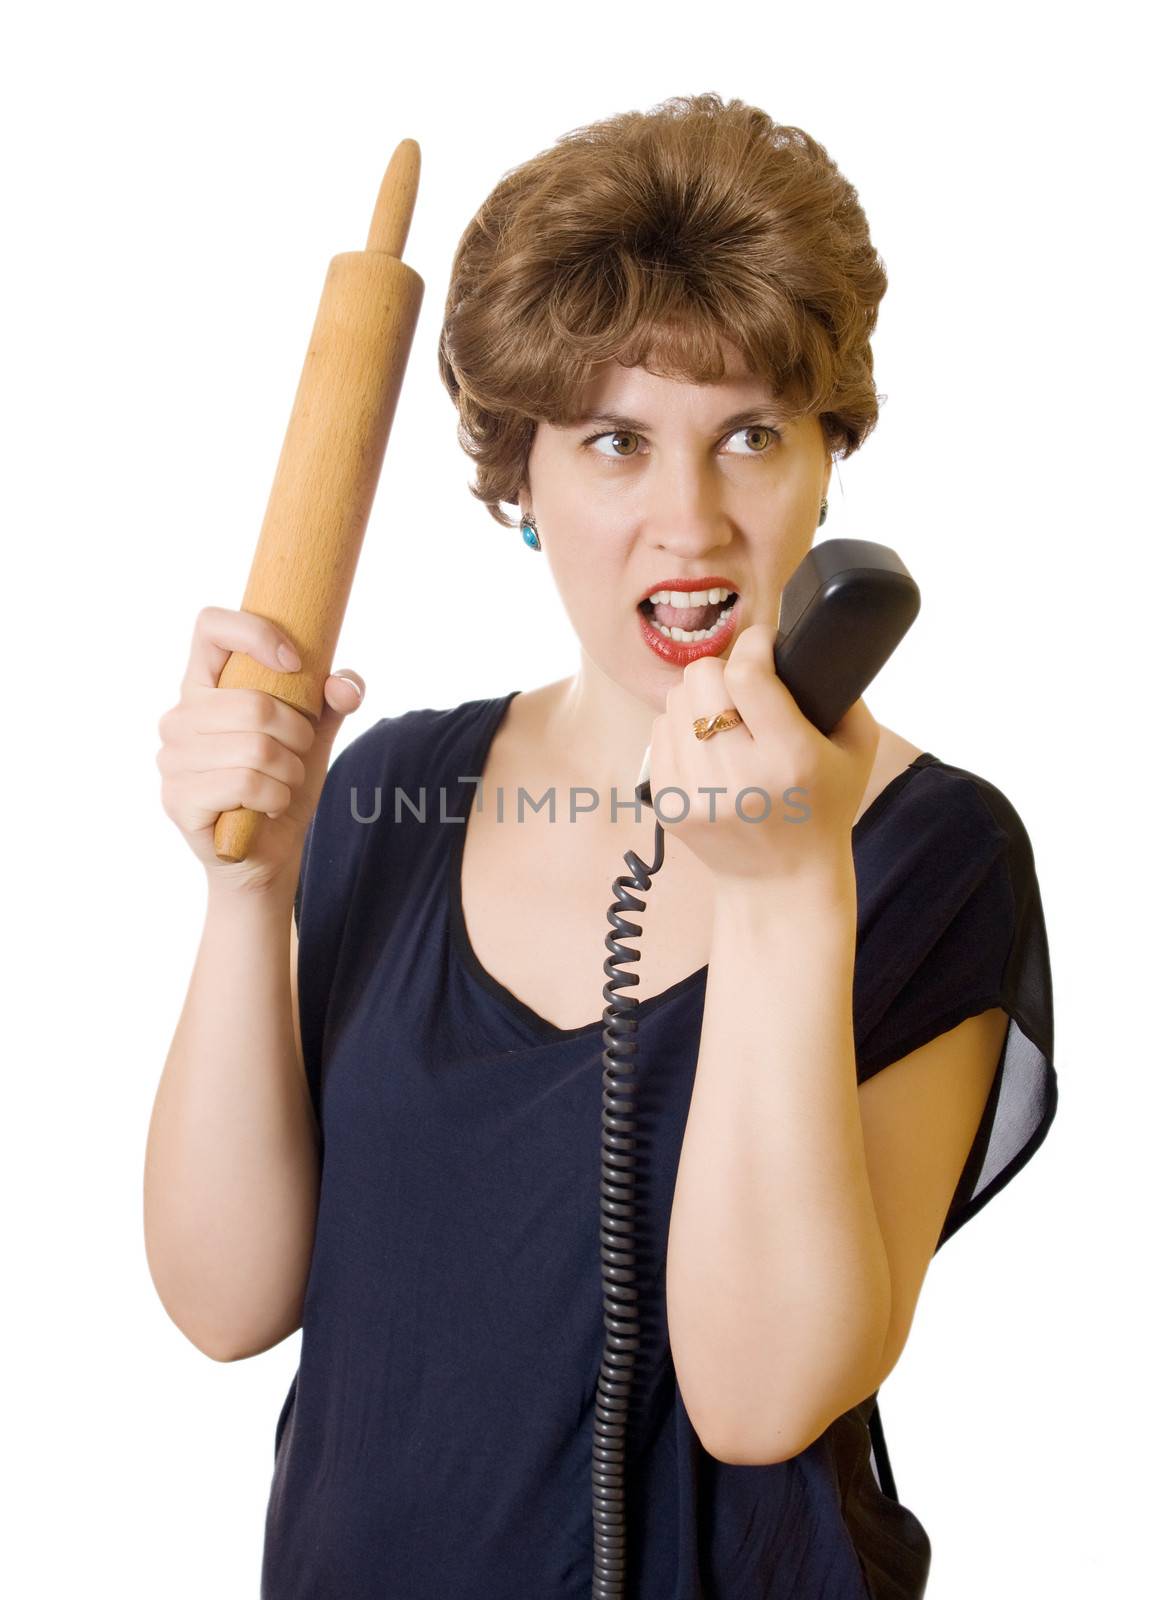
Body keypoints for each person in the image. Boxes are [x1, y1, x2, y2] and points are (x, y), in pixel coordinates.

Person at [146, 93, 1058, 1600]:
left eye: (749, 435)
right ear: (522, 482)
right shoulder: (392, 788)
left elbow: (764, 1395)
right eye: (614, 442)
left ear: (827, 461)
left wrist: (783, 893)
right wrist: (246, 894)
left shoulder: (931, 851)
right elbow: (224, 1300)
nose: (686, 522)